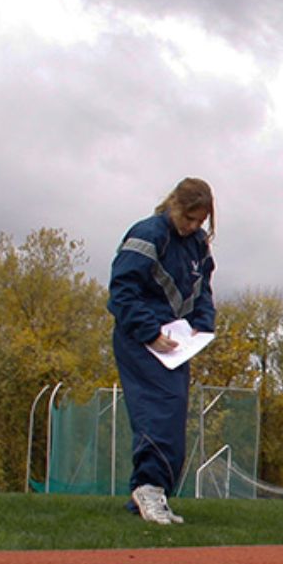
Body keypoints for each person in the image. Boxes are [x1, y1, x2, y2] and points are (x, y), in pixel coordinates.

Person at [107, 178, 216, 526]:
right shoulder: (148, 234)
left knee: (171, 416)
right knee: (157, 414)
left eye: (200, 221)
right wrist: (149, 333)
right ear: (174, 205)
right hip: (141, 339)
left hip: (174, 342)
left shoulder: (198, 245)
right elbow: (122, 291)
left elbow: (203, 291)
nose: (193, 226)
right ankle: (149, 487)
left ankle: (152, 492)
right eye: (189, 218)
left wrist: (202, 323)